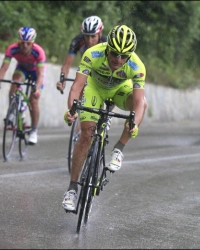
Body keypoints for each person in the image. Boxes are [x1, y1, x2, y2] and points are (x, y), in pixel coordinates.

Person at [62, 25, 147, 211]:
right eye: (114, 53)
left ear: (130, 55)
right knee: (86, 135)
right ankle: (72, 188)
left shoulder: (137, 66)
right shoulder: (92, 54)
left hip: (119, 90)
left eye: (124, 56)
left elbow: (139, 102)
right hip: (95, 88)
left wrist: (134, 123)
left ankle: (119, 148)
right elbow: (76, 87)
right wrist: (72, 109)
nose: (118, 59)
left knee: (143, 105)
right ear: (107, 47)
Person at [0, 26, 46, 145]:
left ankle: (34, 131)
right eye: (22, 43)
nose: (25, 46)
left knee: (34, 100)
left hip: (36, 72)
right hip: (22, 69)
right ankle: (12, 111)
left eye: (28, 43)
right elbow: (4, 68)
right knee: (15, 81)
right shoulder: (12, 49)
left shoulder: (39, 52)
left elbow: (41, 74)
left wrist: (36, 89)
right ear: (18, 41)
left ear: (33, 43)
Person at [56, 15, 107, 93]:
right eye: (87, 36)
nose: (90, 41)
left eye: (93, 36)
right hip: (86, 68)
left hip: (103, 71)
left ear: (100, 34)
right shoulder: (77, 41)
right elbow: (66, 65)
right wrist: (63, 81)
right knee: (76, 93)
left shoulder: (106, 43)